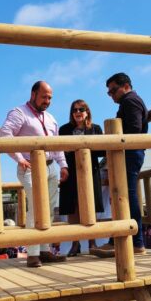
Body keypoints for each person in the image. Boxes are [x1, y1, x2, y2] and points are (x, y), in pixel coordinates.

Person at [0, 80, 69, 268]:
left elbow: (56, 144)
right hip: (30, 167)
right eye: (44, 97)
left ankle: (44, 250)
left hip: (51, 167)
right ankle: (32, 254)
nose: (47, 101)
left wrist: (63, 165)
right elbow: (5, 134)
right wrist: (19, 158)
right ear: (33, 94)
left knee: (50, 209)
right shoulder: (19, 113)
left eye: (50, 98)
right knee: (36, 208)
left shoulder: (51, 118)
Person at [92, 72, 148, 257]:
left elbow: (134, 130)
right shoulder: (130, 101)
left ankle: (136, 242)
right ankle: (120, 240)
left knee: (127, 196)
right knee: (124, 196)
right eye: (109, 92)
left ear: (126, 86)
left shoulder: (130, 101)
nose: (111, 95)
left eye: (113, 90)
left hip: (130, 153)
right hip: (130, 153)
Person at [58, 100, 105, 256]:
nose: (78, 112)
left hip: (90, 172)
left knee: (90, 205)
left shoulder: (96, 129)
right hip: (70, 173)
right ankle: (75, 244)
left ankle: (92, 243)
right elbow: (60, 151)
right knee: (73, 208)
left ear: (87, 111)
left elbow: (103, 151)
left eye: (81, 109)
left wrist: (85, 148)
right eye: (74, 110)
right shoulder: (64, 129)